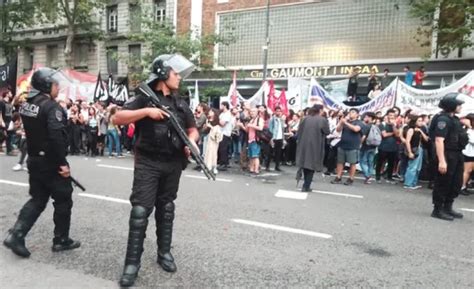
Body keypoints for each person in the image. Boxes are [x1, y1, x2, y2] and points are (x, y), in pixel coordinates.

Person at [113, 54, 198, 287]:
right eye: (175, 73)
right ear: (163, 74)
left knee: (167, 208)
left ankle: (164, 253)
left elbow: (193, 128)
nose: (179, 77)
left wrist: (192, 141)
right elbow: (117, 117)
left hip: (173, 163)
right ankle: (132, 264)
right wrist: (146, 113)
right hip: (148, 162)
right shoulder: (144, 98)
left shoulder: (181, 102)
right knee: (140, 212)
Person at [3, 67, 80, 258]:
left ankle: (16, 234)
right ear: (46, 85)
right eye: (55, 84)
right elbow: (56, 137)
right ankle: (61, 240)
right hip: (51, 162)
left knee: (37, 199)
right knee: (63, 198)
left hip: (34, 159)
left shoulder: (28, 104)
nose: (58, 88)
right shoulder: (52, 107)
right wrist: (62, 164)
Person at [429, 92, 468, 221]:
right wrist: (442, 161)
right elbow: (439, 140)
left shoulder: (454, 119)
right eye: (458, 105)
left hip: (457, 154)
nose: (460, 107)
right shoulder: (443, 119)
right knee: (443, 182)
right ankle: (438, 209)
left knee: (455, 182)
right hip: (446, 154)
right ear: (452, 105)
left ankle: (448, 206)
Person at [296, 105, 330, 192]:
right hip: (315, 145)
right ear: (320, 110)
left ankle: (305, 184)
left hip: (303, 144)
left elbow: (299, 131)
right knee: (311, 165)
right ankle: (306, 185)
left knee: (305, 164)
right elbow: (327, 131)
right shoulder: (322, 120)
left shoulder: (305, 118)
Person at [331, 108, 364, 185]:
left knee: (352, 163)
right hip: (342, 144)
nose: (350, 114)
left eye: (353, 112)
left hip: (353, 146)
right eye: (350, 112)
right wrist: (341, 122)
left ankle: (351, 178)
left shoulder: (359, 123)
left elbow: (356, 129)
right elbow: (338, 130)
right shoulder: (346, 121)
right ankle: (338, 177)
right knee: (340, 162)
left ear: (357, 114)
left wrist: (345, 123)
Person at [403, 115, 429, 189]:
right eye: (419, 121)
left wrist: (420, 131)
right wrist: (410, 152)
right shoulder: (411, 130)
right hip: (414, 148)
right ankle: (408, 183)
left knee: (418, 167)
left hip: (420, 148)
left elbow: (426, 139)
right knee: (412, 166)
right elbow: (408, 141)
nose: (421, 122)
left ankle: (413, 183)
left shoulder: (419, 130)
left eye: (421, 121)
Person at [375, 109, 399, 184]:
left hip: (393, 147)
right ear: (387, 115)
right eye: (390, 115)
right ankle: (377, 176)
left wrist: (393, 126)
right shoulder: (382, 124)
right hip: (383, 147)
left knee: (391, 163)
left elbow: (398, 135)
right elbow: (384, 135)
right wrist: (393, 133)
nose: (391, 117)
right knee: (380, 162)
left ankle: (389, 177)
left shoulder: (395, 125)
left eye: (393, 115)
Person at [359, 112, 377, 184]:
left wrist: (360, 144)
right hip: (373, 146)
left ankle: (367, 176)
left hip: (365, 146)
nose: (365, 118)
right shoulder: (376, 126)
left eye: (366, 117)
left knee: (363, 161)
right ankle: (369, 175)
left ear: (370, 118)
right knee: (370, 162)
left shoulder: (366, 126)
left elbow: (363, 136)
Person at [244, 108, 264, 174]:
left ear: (257, 112)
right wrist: (246, 126)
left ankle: (256, 169)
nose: (252, 113)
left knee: (255, 155)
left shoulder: (259, 119)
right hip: (250, 140)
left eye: (254, 111)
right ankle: (251, 168)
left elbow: (261, 128)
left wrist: (251, 125)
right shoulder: (251, 120)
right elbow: (247, 131)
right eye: (251, 111)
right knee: (251, 155)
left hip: (256, 139)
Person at [203, 108, 223, 175]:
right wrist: (206, 127)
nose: (209, 113)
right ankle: (206, 166)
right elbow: (205, 130)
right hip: (207, 137)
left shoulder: (216, 121)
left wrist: (211, 127)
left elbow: (218, 131)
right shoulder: (207, 120)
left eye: (211, 112)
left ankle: (214, 167)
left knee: (213, 153)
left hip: (213, 139)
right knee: (207, 152)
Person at [267, 106, 285, 171]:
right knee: (270, 152)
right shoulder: (272, 119)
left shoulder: (281, 119)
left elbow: (283, 129)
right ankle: (267, 165)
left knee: (278, 153)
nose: (278, 112)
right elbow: (270, 128)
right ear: (275, 111)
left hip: (280, 138)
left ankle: (277, 166)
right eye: (277, 111)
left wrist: (283, 138)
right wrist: (272, 137)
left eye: (279, 111)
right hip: (274, 138)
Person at [460, 114, 474, 195]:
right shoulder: (466, 130)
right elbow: (472, 140)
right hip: (467, 153)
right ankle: (462, 186)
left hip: (472, 153)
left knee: (470, 171)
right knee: (467, 171)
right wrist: (469, 127)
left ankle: (465, 185)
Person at [217, 101, 233, 170]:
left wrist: (217, 120)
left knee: (223, 149)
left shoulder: (228, 114)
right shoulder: (222, 114)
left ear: (225, 106)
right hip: (220, 133)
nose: (220, 107)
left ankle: (224, 163)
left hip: (225, 133)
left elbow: (223, 123)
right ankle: (222, 162)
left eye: (221, 105)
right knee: (220, 148)